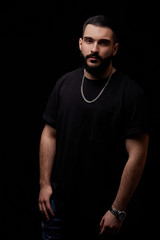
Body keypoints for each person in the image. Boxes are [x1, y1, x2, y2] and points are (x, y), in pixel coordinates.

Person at [38, 15, 149, 240]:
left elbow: (137, 155)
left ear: (115, 49)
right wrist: (44, 184)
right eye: (89, 41)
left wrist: (117, 210)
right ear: (80, 44)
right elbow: (50, 134)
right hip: (58, 209)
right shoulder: (64, 84)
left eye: (103, 43)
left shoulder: (131, 94)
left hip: (103, 215)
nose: (94, 49)